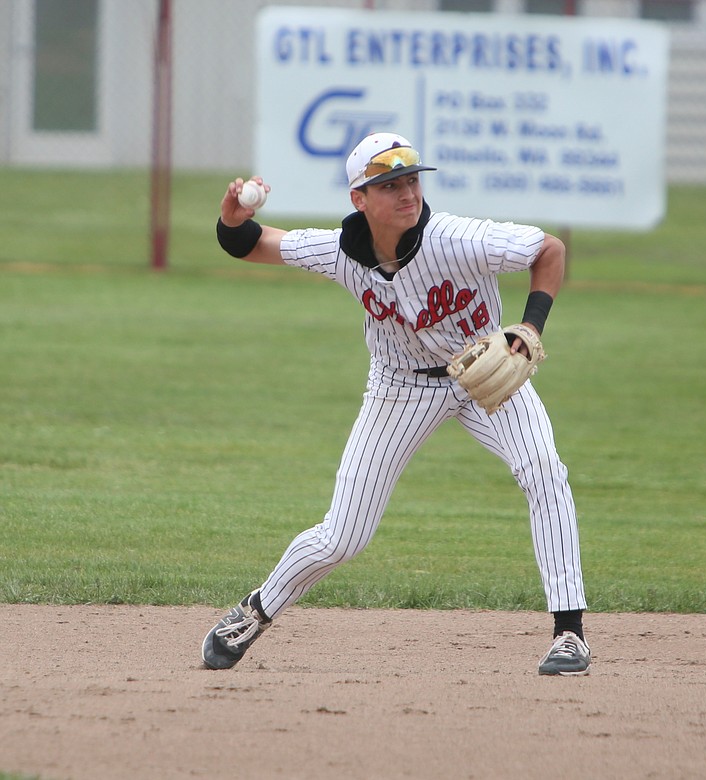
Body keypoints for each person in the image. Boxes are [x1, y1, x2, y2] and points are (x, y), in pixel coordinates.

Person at [201, 132, 589, 676]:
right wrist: (232, 218)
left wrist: (529, 325)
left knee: (544, 470)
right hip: (399, 388)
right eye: (389, 184)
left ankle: (569, 633)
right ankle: (256, 610)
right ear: (360, 198)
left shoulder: (458, 238)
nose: (407, 193)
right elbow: (248, 244)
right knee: (343, 536)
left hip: (485, 377)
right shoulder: (341, 253)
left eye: (411, 180)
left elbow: (549, 249)